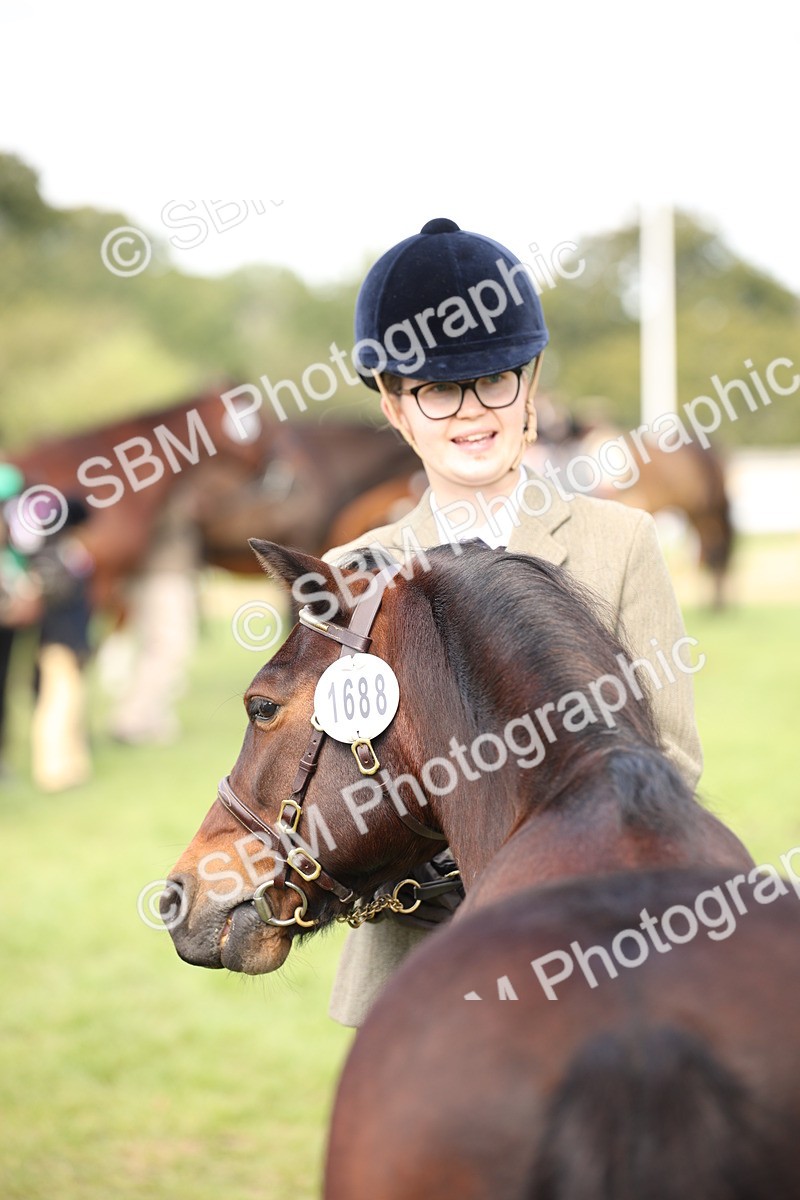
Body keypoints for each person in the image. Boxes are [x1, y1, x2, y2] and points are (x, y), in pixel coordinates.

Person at [320, 218, 704, 1028]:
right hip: (412, 963)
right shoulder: (354, 570)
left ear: (529, 388)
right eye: (436, 390)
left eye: (496, 380)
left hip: (589, 952)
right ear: (395, 407)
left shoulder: (620, 542)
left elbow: (671, 760)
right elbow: (338, 788)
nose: (472, 413)